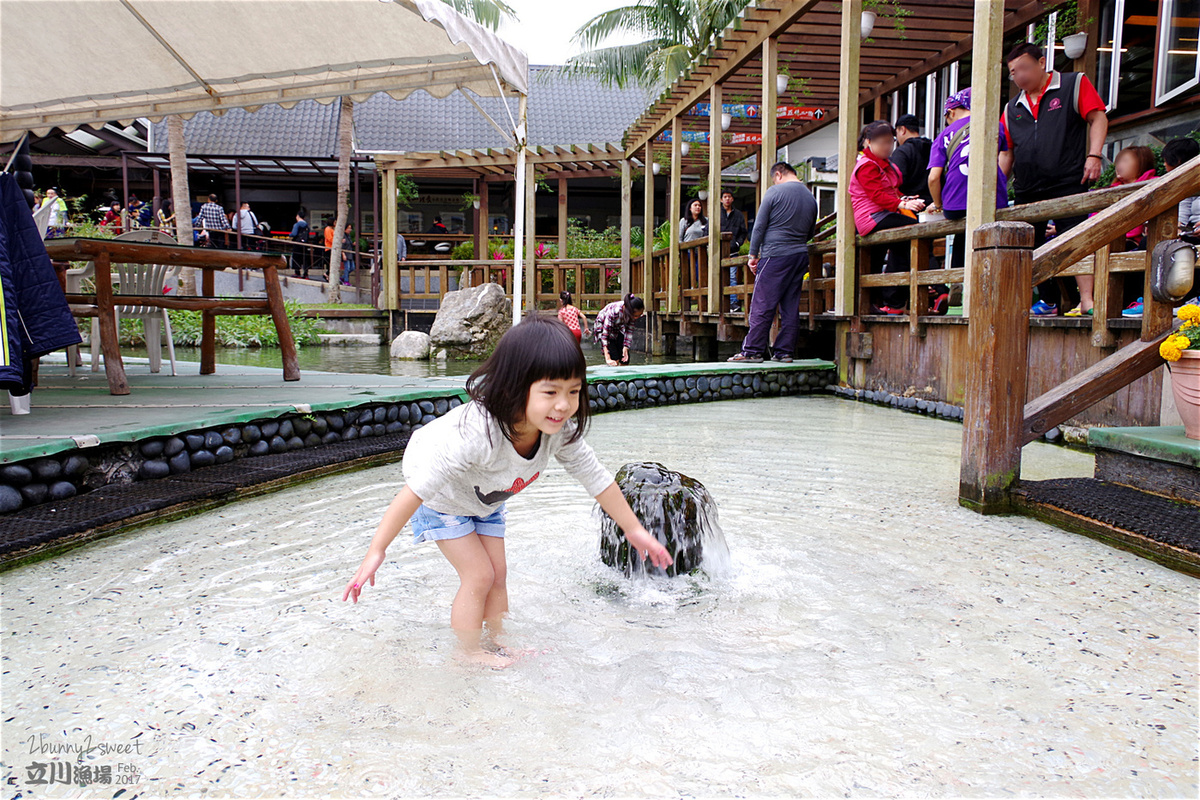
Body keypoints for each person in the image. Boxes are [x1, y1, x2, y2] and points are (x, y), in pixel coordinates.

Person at [342, 316, 672, 668]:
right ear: (516, 387)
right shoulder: (477, 434)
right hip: (443, 496)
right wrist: (377, 550)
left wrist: (634, 530)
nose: (563, 405)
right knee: (479, 575)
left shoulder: (558, 429)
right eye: (550, 392)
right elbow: (416, 492)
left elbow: (595, 477)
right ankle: (467, 653)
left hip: (486, 494)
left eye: (573, 391)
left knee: (497, 575)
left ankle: (497, 643)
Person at [998, 42, 1108, 316]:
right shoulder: (1012, 107)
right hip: (1027, 186)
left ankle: (1087, 300)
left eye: (1023, 67)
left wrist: (1094, 155)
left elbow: (1098, 117)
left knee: (1076, 239)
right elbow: (1007, 152)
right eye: (1013, 72)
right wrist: (998, 185)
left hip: (1067, 179)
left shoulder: (1073, 83)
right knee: (1025, 246)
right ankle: (1046, 300)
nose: (1019, 76)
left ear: (1042, 62)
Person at [729, 161, 817, 363]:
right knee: (790, 305)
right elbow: (811, 232)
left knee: (762, 303)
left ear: (778, 174)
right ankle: (784, 351)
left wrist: (753, 255)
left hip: (776, 254)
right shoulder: (810, 197)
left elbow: (759, 227)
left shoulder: (774, 192)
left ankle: (752, 350)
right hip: (799, 254)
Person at [926, 88, 1010, 276]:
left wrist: (938, 204)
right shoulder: (995, 126)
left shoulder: (944, 136)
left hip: (955, 203)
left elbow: (933, 177)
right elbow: (1003, 154)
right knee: (991, 235)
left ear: (952, 111)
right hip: (993, 198)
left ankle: (959, 277)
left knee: (961, 233)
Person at [1068, 145, 1159, 318]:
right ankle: (1086, 300)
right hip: (1105, 238)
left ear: (1141, 163)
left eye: (1125, 161)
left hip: (1131, 239)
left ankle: (1095, 300)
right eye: (1118, 161)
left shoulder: (1153, 182)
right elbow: (1093, 219)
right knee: (1080, 244)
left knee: (1101, 246)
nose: (1119, 165)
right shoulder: (1111, 189)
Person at [849, 121, 926, 314]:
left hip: (883, 214)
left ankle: (886, 300)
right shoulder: (867, 165)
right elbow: (877, 195)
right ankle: (892, 298)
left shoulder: (883, 164)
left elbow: (890, 193)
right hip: (872, 217)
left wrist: (904, 199)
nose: (887, 147)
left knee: (878, 259)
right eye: (882, 142)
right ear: (868, 142)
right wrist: (902, 204)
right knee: (912, 228)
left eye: (890, 142)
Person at [891, 113, 933, 204]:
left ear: (902, 130)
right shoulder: (933, 148)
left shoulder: (902, 152)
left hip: (910, 206)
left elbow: (895, 181)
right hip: (933, 204)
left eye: (896, 133)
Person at [592, 293, 644, 366]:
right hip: (603, 325)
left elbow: (629, 331)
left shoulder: (632, 314)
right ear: (628, 311)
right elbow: (605, 335)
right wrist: (607, 357)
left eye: (639, 316)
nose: (636, 318)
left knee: (624, 359)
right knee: (614, 358)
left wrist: (626, 348)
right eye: (635, 316)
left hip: (619, 327)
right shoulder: (614, 312)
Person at [1162, 137, 1200, 236]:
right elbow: (1185, 203)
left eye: (1167, 160)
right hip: (1192, 228)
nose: (1164, 164)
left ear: (1178, 160)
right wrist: (1179, 225)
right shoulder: (1189, 181)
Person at [720, 190, 748, 311]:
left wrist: (738, 243)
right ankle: (719, 302)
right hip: (718, 251)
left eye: (729, 197)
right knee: (718, 276)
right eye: (725, 197)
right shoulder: (717, 213)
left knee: (732, 276)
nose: (727, 199)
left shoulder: (738, 215)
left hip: (733, 250)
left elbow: (743, 231)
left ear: (732, 199)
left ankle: (733, 302)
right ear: (721, 199)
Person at [680, 198, 708, 284]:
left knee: (700, 274)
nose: (698, 207)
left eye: (699, 205)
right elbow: (679, 238)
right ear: (690, 208)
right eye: (695, 205)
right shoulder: (684, 221)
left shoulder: (706, 221)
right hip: (687, 253)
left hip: (701, 252)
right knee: (687, 274)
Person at [289, 211, 310, 277]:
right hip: (305, 244)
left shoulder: (297, 225)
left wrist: (290, 235)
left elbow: (294, 234)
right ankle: (305, 273)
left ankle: (297, 272)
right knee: (304, 258)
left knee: (296, 258)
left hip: (297, 243)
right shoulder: (306, 225)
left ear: (298, 216)